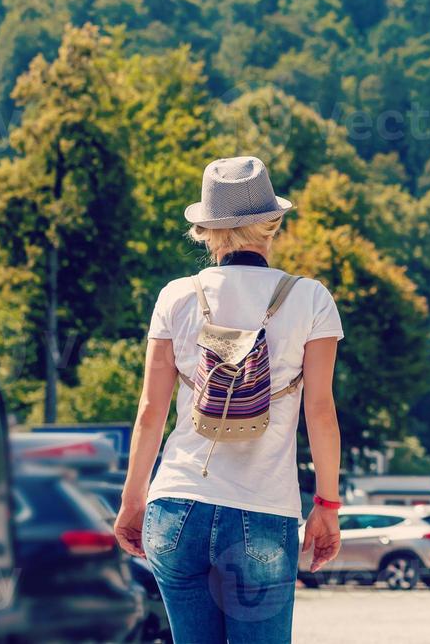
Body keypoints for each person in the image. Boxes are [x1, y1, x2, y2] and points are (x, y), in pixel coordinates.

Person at [114, 156, 343, 643]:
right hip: (263, 511)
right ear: (272, 224)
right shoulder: (310, 299)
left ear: (205, 230)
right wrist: (326, 503)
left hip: (176, 509)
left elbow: (151, 412)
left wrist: (134, 498)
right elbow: (320, 413)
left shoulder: (176, 296)